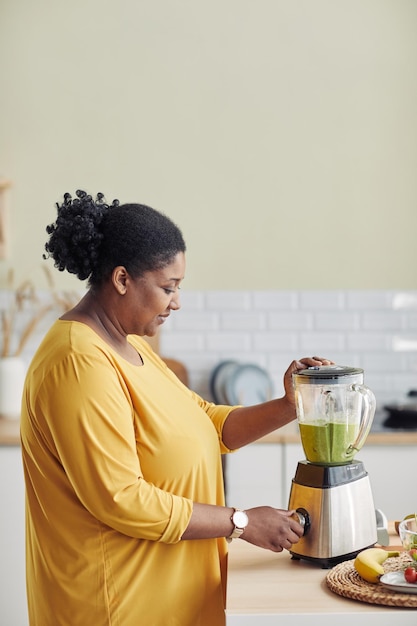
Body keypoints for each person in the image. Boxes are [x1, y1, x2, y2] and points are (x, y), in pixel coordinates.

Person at [20, 189, 333, 626]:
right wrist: (241, 522)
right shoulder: (78, 361)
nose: (177, 301)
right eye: (169, 287)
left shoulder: (129, 347)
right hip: (116, 607)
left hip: (170, 601)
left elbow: (208, 423)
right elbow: (121, 499)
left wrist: (290, 403)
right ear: (123, 279)